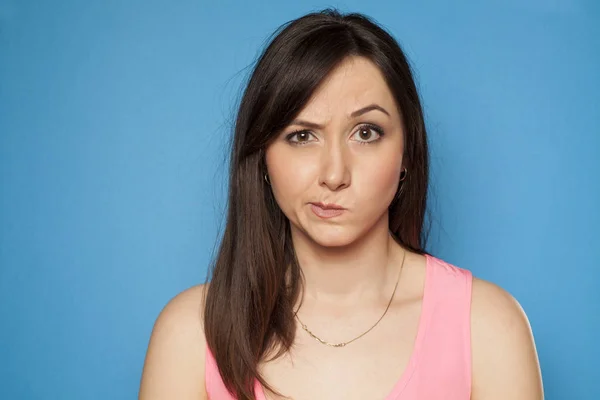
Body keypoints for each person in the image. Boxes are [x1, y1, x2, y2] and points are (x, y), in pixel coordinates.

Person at [138, 8, 543, 400]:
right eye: (302, 136)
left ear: (407, 153)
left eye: (365, 133)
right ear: (262, 158)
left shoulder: (486, 327)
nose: (334, 174)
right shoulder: (192, 332)